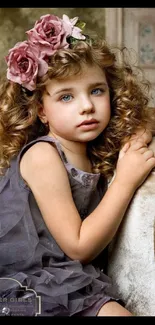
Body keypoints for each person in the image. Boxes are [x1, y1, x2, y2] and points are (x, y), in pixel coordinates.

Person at [0, 13, 154, 317]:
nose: (86, 106)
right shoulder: (43, 156)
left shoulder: (93, 146)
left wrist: (139, 137)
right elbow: (78, 247)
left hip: (68, 280)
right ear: (42, 111)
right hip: (29, 288)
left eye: (97, 90)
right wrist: (125, 180)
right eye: (66, 96)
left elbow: (147, 118)